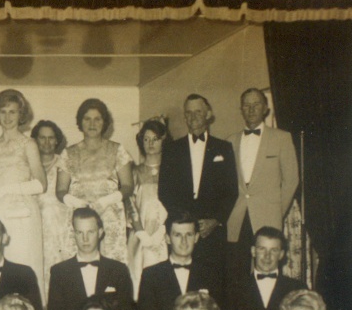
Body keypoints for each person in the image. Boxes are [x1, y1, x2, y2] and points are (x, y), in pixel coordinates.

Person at [0, 89, 47, 298]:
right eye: (3, 111)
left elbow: (40, 184)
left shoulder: (28, 144)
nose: (7, 117)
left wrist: (6, 190)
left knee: (23, 263)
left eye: (12, 112)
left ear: (21, 114)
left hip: (22, 213)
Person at [158, 94, 238, 267]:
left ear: (208, 114)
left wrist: (215, 220)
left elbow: (231, 191)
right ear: (185, 116)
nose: (193, 117)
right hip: (181, 231)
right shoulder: (172, 149)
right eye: (189, 113)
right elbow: (164, 191)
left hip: (211, 230)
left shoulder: (224, 148)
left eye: (198, 112)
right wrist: (183, 222)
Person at [226, 88, 299, 272]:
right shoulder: (230, 142)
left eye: (256, 104)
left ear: (266, 108)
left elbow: (291, 180)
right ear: (241, 109)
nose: (251, 109)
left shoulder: (281, 138)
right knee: (238, 272)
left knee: (267, 271)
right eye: (246, 105)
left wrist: (275, 211)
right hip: (237, 218)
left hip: (268, 217)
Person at [57, 98, 134, 265]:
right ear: (80, 122)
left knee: (111, 266)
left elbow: (128, 186)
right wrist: (75, 201)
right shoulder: (68, 153)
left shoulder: (117, 149)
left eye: (97, 118)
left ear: (104, 122)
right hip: (80, 215)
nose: (92, 123)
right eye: (87, 118)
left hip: (110, 215)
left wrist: (108, 200)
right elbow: (60, 190)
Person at [31, 120, 75, 299]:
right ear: (35, 140)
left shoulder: (65, 163)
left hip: (60, 230)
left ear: (57, 141)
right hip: (34, 228)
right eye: (42, 138)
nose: (47, 143)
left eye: (51, 138)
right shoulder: (28, 165)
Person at [127, 118, 170, 298]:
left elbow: (174, 203)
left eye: (155, 139)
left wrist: (163, 229)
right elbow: (130, 203)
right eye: (146, 139)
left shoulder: (171, 170)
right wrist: (140, 232)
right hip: (140, 235)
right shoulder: (135, 171)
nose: (150, 143)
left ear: (163, 141)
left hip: (164, 234)